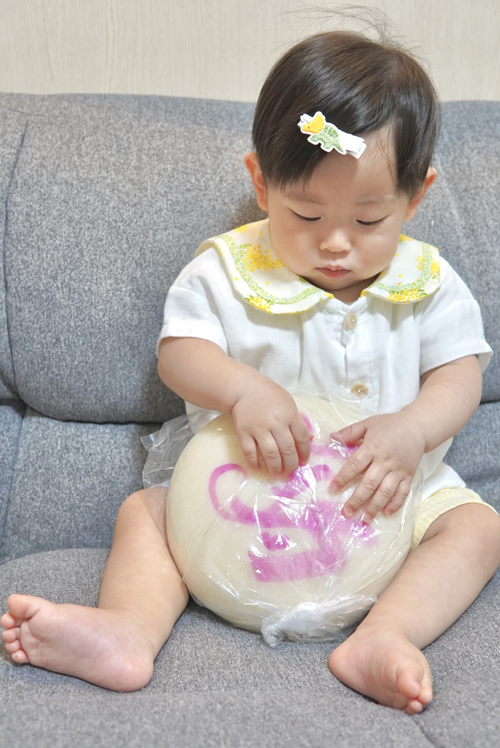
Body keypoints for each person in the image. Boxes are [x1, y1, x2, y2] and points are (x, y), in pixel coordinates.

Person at [2, 29, 500, 716]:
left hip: (385, 495)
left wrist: (414, 431)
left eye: (367, 218)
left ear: (416, 197)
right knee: (143, 515)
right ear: (261, 181)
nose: (334, 242)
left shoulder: (427, 281)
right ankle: (128, 631)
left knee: (477, 528)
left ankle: (383, 636)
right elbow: (178, 353)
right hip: (232, 501)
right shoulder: (229, 270)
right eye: (305, 213)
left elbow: (459, 375)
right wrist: (243, 389)